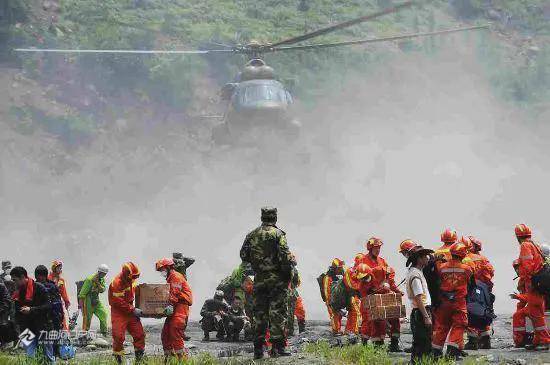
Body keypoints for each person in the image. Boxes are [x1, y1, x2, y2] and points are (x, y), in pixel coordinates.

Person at [240, 206, 293, 359]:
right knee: (277, 312)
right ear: (275, 218)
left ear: (262, 217)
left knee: (259, 314)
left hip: (260, 279)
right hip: (277, 280)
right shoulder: (279, 234)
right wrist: (286, 274)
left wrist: (258, 263)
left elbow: (243, 255)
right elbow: (284, 255)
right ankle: (277, 348)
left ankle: (258, 349)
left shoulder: (252, 234)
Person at [355, 237, 403, 351]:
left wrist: (396, 290)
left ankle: (394, 344)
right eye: (376, 248)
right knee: (372, 320)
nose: (378, 250)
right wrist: (367, 289)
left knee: (394, 316)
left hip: (384, 294)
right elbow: (357, 278)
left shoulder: (382, 261)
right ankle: (371, 345)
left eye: (379, 248)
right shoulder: (362, 261)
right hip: (369, 296)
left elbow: (389, 277)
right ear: (370, 248)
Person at [431, 242, 474, 360]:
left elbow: (437, 281)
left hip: (443, 302)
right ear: (463, 254)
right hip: (458, 302)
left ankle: (436, 352)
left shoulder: (442, 267)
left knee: (442, 326)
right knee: (459, 325)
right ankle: (451, 352)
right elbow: (471, 284)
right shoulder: (467, 269)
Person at [511, 224, 550, 350]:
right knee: (535, 314)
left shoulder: (525, 246)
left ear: (517, 236)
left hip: (533, 285)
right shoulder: (534, 244)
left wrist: (525, 279)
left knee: (537, 315)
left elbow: (527, 266)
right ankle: (538, 339)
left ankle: (544, 340)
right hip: (537, 284)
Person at [10, 266, 55, 363]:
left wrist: (31, 310)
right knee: (30, 358)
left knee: (48, 357)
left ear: (22, 277)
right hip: (26, 329)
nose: (14, 283)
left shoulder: (39, 288)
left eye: (15, 280)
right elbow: (17, 313)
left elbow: (48, 306)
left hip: (43, 327)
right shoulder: (17, 293)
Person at [156, 258, 193, 360]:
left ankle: (182, 360)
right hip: (175, 306)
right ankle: (169, 359)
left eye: (162, 270)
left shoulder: (176, 276)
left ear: (168, 267)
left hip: (181, 306)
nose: (161, 273)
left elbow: (174, 292)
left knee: (175, 330)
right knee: (165, 334)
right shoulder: (170, 277)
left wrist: (170, 305)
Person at [462, 236, 495, 350]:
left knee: (471, 313)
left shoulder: (466, 258)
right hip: (484, 289)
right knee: (484, 312)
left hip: (471, 288)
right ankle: (485, 340)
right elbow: (490, 273)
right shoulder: (483, 259)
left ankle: (472, 341)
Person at [108, 262, 145, 364]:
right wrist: (133, 310)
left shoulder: (130, 280)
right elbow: (118, 302)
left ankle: (139, 359)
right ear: (126, 274)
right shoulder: (117, 283)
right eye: (133, 277)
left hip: (130, 310)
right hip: (118, 312)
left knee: (139, 334)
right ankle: (118, 360)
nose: (134, 279)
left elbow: (133, 293)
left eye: (135, 277)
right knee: (118, 336)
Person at [405, 246, 434, 364]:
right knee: (423, 344)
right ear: (419, 259)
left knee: (420, 343)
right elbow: (418, 298)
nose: (428, 258)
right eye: (425, 256)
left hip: (419, 312)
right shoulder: (415, 275)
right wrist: (426, 316)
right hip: (421, 312)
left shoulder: (415, 272)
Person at [78, 264, 109, 336]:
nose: (103, 275)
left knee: (103, 314)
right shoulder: (89, 280)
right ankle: (84, 333)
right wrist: (81, 305)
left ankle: (104, 332)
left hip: (96, 300)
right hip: (88, 301)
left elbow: (102, 290)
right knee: (87, 318)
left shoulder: (101, 280)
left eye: (104, 274)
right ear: (98, 272)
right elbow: (82, 294)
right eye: (102, 273)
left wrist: (97, 283)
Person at [318, 259, 345, 335]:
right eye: (339, 268)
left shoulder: (341, 275)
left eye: (341, 267)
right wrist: (329, 301)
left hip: (338, 300)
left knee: (339, 315)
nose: (340, 269)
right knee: (334, 315)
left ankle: (338, 329)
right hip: (330, 300)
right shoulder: (328, 277)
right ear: (335, 268)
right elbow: (327, 290)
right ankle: (335, 331)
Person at [511, 259, 534, 348]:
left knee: (517, 316)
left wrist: (518, 297)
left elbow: (533, 296)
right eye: (515, 268)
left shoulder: (530, 278)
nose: (517, 270)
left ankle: (520, 340)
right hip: (534, 304)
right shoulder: (521, 281)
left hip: (541, 304)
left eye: (518, 268)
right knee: (518, 314)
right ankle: (522, 338)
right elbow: (524, 300)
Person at [35, 265, 64, 333]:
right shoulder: (53, 286)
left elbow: (58, 305)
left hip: (47, 320)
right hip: (48, 320)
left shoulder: (34, 286)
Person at [48, 260, 71, 330]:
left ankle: (65, 332)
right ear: (54, 268)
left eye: (61, 268)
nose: (60, 270)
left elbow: (64, 292)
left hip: (58, 302)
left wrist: (66, 301)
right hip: (49, 302)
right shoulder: (48, 278)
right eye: (58, 268)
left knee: (62, 317)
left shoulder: (61, 280)